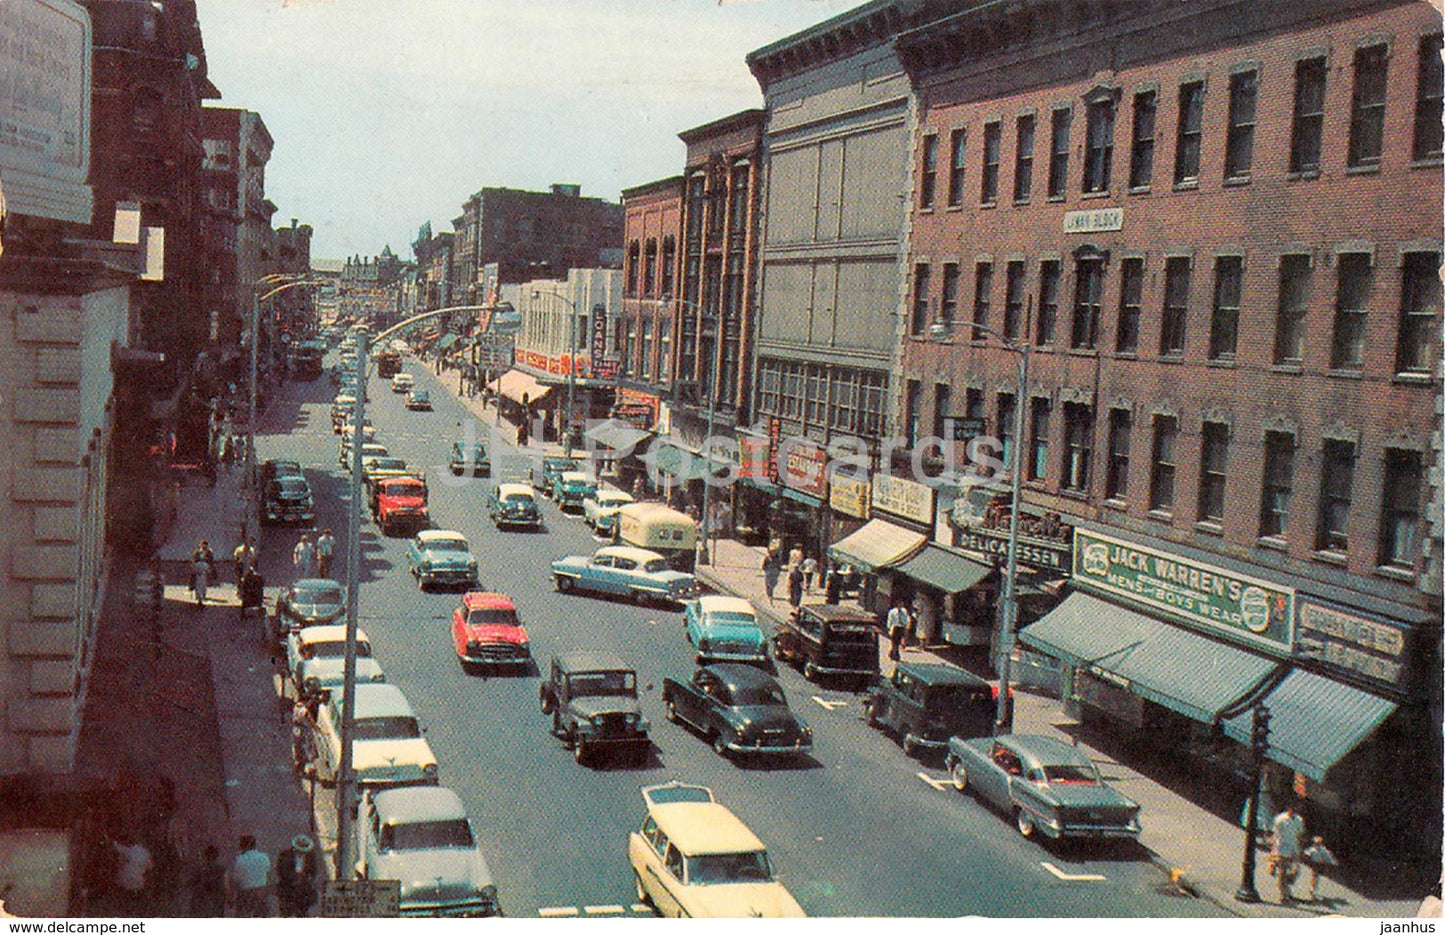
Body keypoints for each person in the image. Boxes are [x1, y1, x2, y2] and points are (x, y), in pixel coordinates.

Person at [274, 834, 319, 918]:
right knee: (286, 913)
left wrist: (306, 878)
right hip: (288, 889)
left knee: (302, 914)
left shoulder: (310, 856)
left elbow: (313, 871)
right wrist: (294, 878)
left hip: (303, 891)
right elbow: (281, 871)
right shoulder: (285, 855)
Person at [111, 831, 152, 916]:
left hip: (126, 883)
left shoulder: (130, 851)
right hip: (139, 883)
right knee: (135, 904)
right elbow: (150, 867)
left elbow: (118, 848)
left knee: (126, 903)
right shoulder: (146, 853)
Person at [1270, 803, 1306, 903]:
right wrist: (1273, 852)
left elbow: (1300, 835)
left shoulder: (1299, 820)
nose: (1293, 810)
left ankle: (1286, 890)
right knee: (1282, 872)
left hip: (1293, 848)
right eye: (1292, 808)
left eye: (1295, 808)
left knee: (1295, 871)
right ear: (1288, 808)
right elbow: (1275, 835)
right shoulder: (1280, 819)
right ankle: (1283, 895)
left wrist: (1300, 849)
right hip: (1282, 848)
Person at [229, 834, 271, 917]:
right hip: (261, 892)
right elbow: (267, 873)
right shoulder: (264, 857)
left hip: (245, 893)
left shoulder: (239, 859)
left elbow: (236, 879)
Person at [189, 844, 227, 917]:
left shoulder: (199, 869)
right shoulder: (221, 870)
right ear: (217, 856)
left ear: (205, 856)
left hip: (201, 902)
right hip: (217, 903)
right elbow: (225, 886)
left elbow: (190, 884)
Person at [1302, 835, 1337, 902]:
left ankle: (1313, 891)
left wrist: (1333, 862)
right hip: (1314, 865)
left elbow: (1329, 857)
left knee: (1316, 878)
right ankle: (1313, 891)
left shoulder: (1323, 850)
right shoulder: (1312, 849)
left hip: (1320, 865)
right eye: (1316, 843)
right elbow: (1306, 854)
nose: (1317, 845)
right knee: (1315, 877)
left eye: (1319, 843)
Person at [886, 599, 910, 663]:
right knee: (894, 642)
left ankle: (892, 653)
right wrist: (889, 628)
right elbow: (890, 620)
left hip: (901, 627)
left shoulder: (904, 611)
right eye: (899, 604)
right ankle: (896, 655)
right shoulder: (892, 611)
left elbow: (906, 619)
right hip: (894, 627)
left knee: (898, 642)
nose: (900, 606)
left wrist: (906, 626)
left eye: (901, 604)